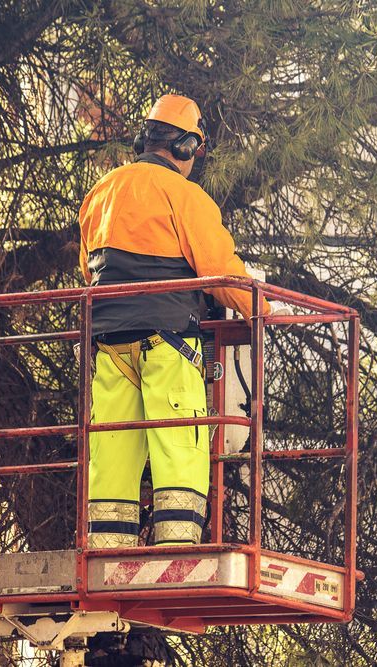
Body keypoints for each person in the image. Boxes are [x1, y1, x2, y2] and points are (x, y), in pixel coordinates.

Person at [78, 94, 269, 548]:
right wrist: (264, 309)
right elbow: (222, 274)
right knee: (179, 447)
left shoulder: (100, 193)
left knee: (112, 453)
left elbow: (88, 272)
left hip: (109, 346)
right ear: (184, 147)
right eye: (196, 150)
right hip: (168, 345)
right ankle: (177, 553)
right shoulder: (185, 197)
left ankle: (108, 553)